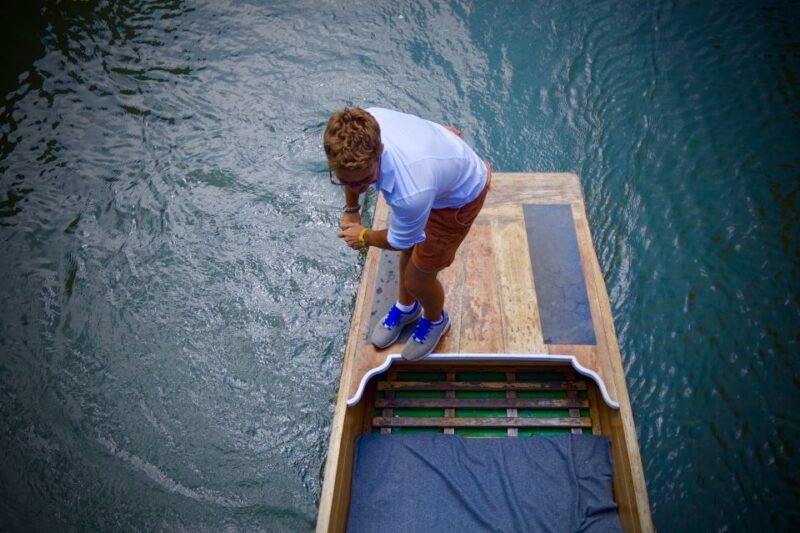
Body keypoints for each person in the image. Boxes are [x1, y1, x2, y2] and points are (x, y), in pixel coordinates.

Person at [324, 107, 491, 361]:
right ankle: (407, 308)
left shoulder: (410, 195)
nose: (356, 187)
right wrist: (352, 208)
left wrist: (363, 236)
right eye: (345, 181)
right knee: (409, 254)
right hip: (432, 170)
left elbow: (397, 239)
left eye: (365, 180)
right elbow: (353, 177)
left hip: (458, 199)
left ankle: (436, 320)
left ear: (380, 150)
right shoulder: (361, 124)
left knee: (418, 278)